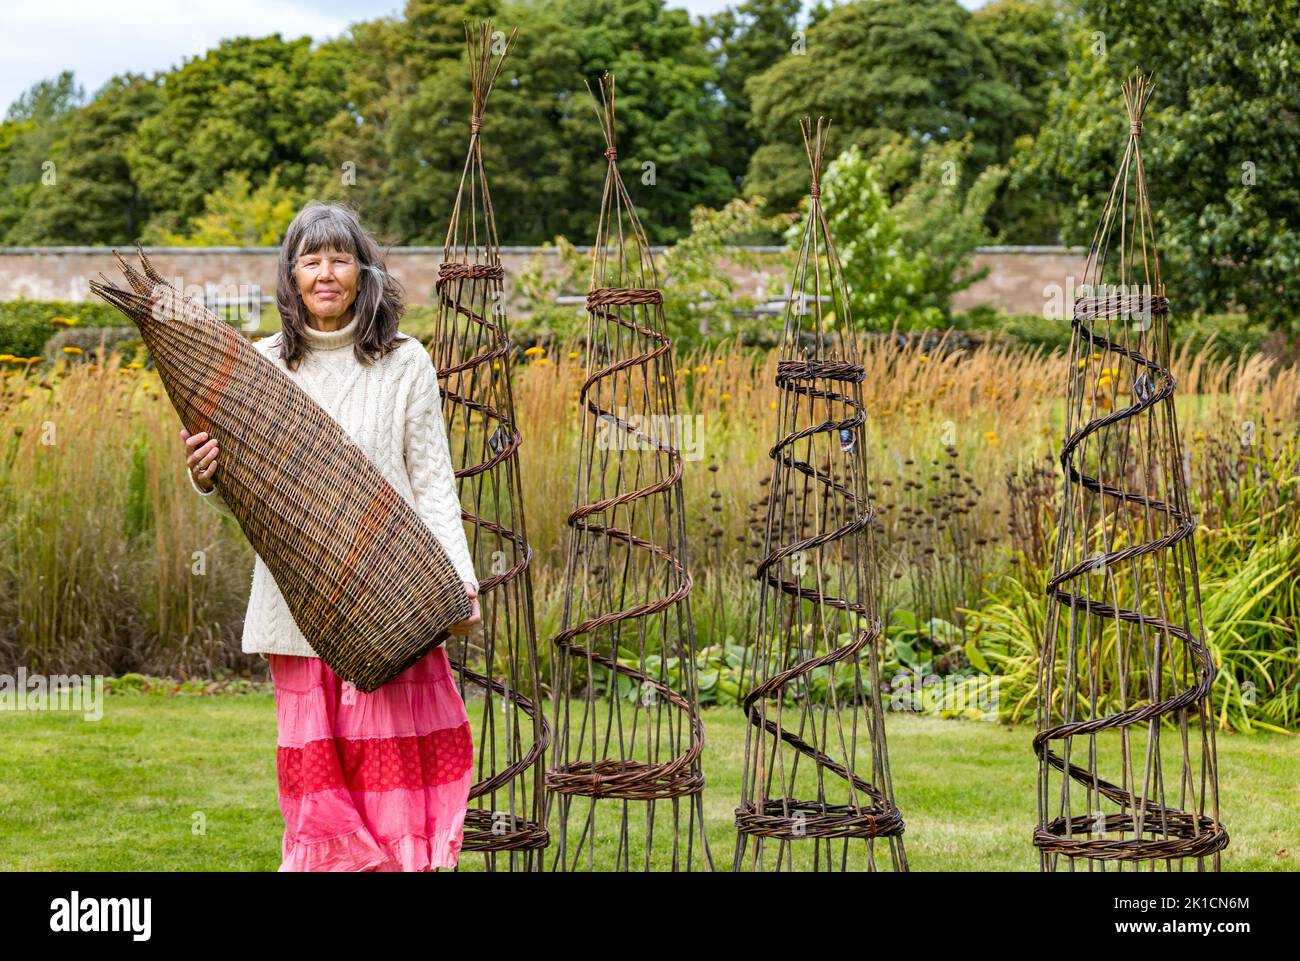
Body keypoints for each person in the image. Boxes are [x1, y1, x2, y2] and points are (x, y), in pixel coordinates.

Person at [181, 201, 480, 872]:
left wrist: (459, 580)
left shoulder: (404, 362)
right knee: (324, 802)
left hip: (392, 607)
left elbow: (434, 485)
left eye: (339, 258)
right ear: (290, 276)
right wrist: (207, 477)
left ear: (362, 271)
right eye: (310, 259)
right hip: (300, 614)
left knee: (393, 789)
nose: (325, 272)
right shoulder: (260, 367)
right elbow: (248, 498)